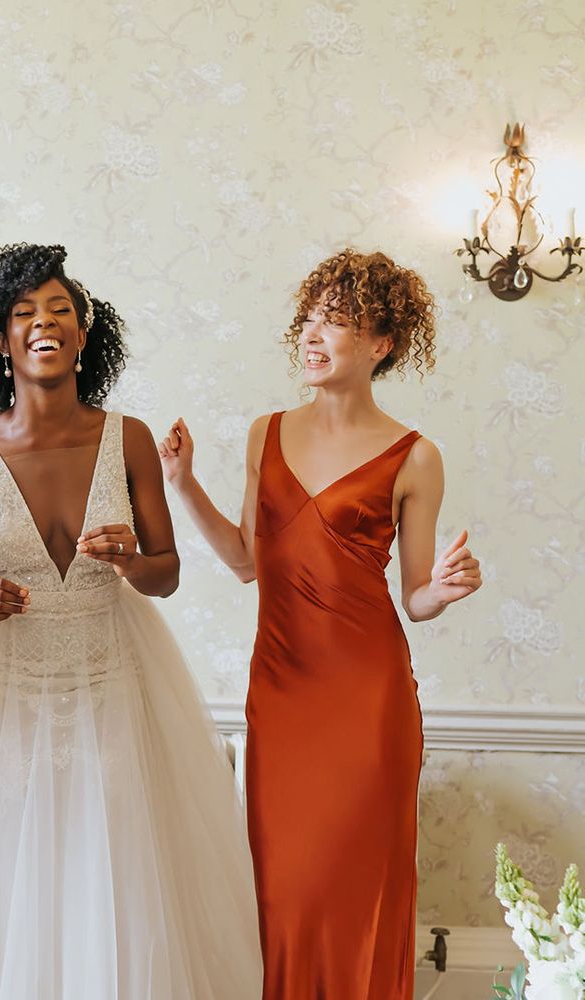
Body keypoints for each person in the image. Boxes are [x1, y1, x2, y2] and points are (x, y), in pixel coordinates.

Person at [0, 244, 262, 1000]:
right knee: (1, 867)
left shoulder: (127, 439)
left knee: (121, 861)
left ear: (86, 336)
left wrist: (129, 559)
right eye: (24, 313)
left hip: (115, 677)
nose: (44, 323)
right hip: (4, 688)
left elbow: (167, 574)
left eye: (61, 310)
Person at [159, 250, 482, 1000]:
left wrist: (441, 586)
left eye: (337, 320)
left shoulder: (416, 457)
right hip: (282, 696)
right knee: (286, 889)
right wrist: (183, 487)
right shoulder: (263, 432)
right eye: (310, 317)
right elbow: (246, 561)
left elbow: (416, 599)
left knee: (363, 888)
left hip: (367, 703)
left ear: (382, 344)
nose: (313, 333)